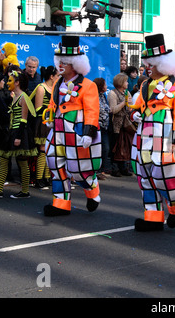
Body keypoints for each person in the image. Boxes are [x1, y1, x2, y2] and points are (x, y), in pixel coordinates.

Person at [130, 33, 175, 232]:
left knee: (166, 176)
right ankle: (153, 217)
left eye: (152, 64)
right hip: (145, 135)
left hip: (166, 137)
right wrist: (136, 114)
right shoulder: (145, 84)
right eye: (147, 63)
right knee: (145, 174)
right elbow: (138, 106)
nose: (148, 67)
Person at [42, 36, 102, 216]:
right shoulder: (57, 84)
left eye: (65, 62)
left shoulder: (88, 86)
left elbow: (92, 110)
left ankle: (92, 190)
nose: (60, 65)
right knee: (55, 164)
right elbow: (53, 104)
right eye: (59, 61)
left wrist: (88, 133)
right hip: (57, 130)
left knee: (79, 170)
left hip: (75, 132)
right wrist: (50, 117)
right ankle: (61, 203)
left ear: (75, 64)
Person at [0, 70, 38, 199]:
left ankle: (24, 191)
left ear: (17, 82)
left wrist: (18, 137)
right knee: (5, 159)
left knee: (21, 161)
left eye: (10, 80)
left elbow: (24, 119)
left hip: (19, 132)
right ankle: (0, 190)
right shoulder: (17, 96)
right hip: (13, 131)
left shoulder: (23, 97)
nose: (7, 83)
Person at [30, 66, 59, 189]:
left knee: (50, 150)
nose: (59, 78)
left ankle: (47, 176)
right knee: (43, 149)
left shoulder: (55, 89)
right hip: (43, 122)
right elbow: (37, 109)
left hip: (52, 122)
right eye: (57, 76)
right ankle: (39, 178)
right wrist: (51, 110)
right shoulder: (41, 88)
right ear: (51, 76)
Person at [108, 73, 135, 177]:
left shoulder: (127, 93)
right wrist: (124, 103)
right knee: (115, 146)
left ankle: (123, 168)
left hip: (125, 123)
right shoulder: (112, 93)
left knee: (125, 146)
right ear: (120, 82)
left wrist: (129, 106)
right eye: (126, 81)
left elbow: (130, 108)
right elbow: (113, 110)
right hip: (116, 124)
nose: (127, 83)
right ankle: (114, 168)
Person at [93, 77, 111, 179]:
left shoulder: (103, 96)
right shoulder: (94, 96)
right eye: (104, 84)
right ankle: (97, 170)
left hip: (105, 126)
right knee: (100, 148)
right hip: (96, 126)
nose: (106, 86)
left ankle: (101, 169)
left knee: (105, 148)